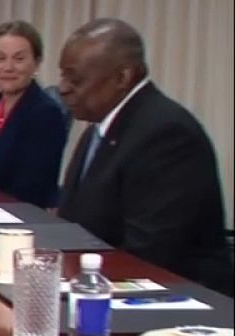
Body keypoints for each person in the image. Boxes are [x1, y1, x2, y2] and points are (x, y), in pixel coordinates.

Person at [57, 18, 231, 294]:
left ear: (122, 78)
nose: (63, 87)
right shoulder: (100, 128)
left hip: (172, 304)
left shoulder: (166, 134)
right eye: (63, 76)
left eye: (75, 78)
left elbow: (150, 253)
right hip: (99, 286)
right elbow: (73, 221)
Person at [0, 21, 67, 208]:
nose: (8, 67)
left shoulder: (46, 113)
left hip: (21, 222)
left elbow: (34, 189)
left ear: (36, 63)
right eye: (1, 58)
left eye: (19, 59)